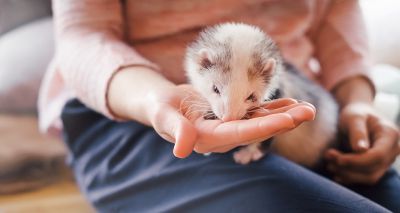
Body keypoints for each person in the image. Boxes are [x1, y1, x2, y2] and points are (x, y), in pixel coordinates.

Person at [39, 0, 400, 212]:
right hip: (127, 107)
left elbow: (338, 14)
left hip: (289, 94)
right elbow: (84, 34)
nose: (229, 115)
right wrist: (154, 99)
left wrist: (356, 103)